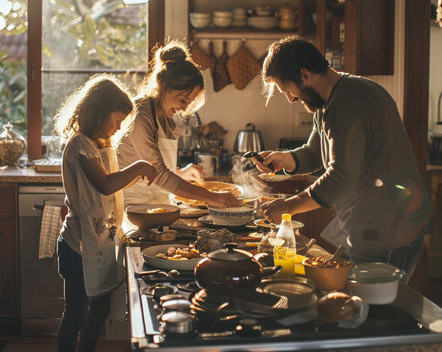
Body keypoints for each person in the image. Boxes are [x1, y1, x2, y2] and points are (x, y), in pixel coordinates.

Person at [254, 36, 432, 283]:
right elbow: (315, 153)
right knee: (361, 303)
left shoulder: (347, 102)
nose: (291, 99)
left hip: (393, 229)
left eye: (287, 90)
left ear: (304, 74)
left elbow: (341, 176)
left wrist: (288, 207)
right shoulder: (328, 104)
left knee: (380, 309)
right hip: (370, 225)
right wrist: (285, 160)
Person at [54, 74, 156, 352]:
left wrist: (137, 173)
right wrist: (140, 167)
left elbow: (111, 187)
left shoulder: (101, 143)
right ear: (98, 112)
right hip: (78, 247)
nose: (119, 127)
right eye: (117, 120)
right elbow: (105, 184)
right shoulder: (80, 145)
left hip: (100, 244)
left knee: (97, 315)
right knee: (75, 315)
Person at [118, 40, 239, 208]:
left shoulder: (166, 118)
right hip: (132, 207)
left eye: (189, 102)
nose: (184, 107)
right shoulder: (140, 115)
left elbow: (156, 169)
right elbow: (158, 174)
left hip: (158, 205)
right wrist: (213, 197)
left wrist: (180, 173)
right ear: (163, 86)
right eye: (183, 99)